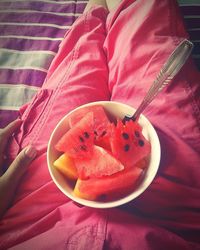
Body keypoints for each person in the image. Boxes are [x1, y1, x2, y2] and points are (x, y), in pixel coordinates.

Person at [0, 0, 200, 249]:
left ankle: (95, 9)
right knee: (146, 32)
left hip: (29, 221)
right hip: (178, 219)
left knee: (81, 57)